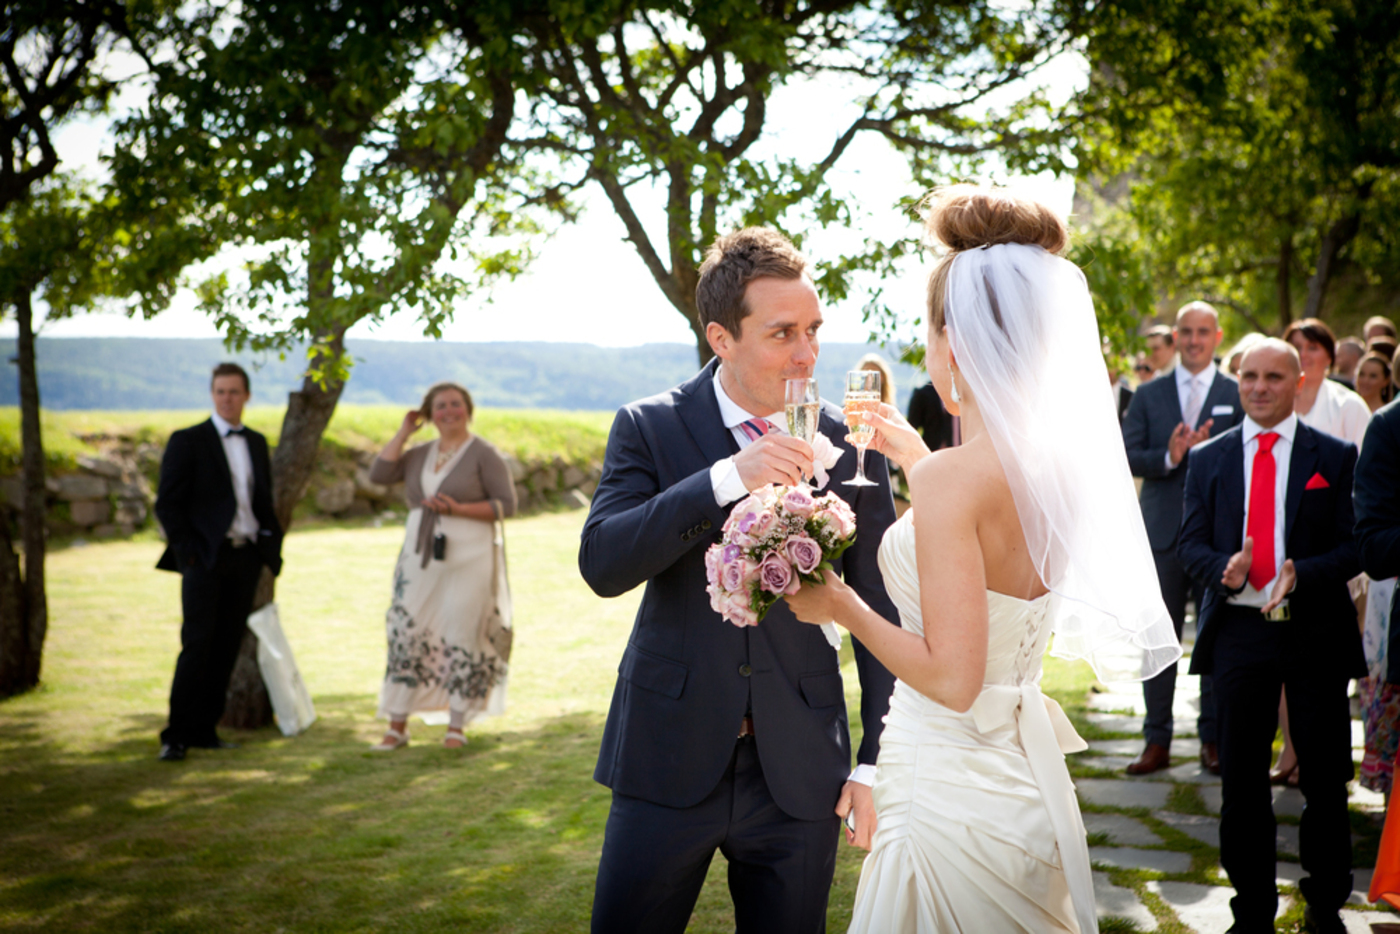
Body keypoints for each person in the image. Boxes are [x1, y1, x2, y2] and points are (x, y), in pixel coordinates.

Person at [786, 186, 1179, 933]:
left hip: (944, 790)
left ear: (956, 343)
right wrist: (916, 456)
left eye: (930, 334)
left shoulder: (951, 481)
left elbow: (953, 679)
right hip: (1022, 781)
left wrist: (841, 605)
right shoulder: (1059, 471)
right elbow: (990, 552)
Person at [580, 227, 900, 933]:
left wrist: (876, 761)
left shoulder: (850, 443)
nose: (808, 353)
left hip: (801, 765)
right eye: (783, 333)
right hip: (667, 753)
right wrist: (725, 479)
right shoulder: (649, 427)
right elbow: (602, 563)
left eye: (814, 330)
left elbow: (881, 604)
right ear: (721, 338)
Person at [1178, 338, 1362, 934]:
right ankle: (1251, 910)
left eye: (1274, 377)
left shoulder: (1333, 455)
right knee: (1241, 781)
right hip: (1239, 631)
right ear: (1237, 381)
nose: (1259, 387)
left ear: (1299, 381)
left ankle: (1325, 907)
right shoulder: (1208, 459)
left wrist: (1300, 573)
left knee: (1326, 780)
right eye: (1249, 376)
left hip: (1315, 632)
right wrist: (1223, 571)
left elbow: (1355, 546)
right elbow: (1189, 545)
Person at [1121, 301, 1241, 776]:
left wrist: (1210, 452)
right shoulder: (1149, 394)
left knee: (1214, 640)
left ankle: (1213, 740)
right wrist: (1169, 456)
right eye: (1186, 332)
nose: (1194, 340)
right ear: (1175, 338)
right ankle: (1157, 741)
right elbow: (1126, 454)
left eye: (1202, 332)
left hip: (1218, 537)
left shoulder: (1236, 391)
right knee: (1158, 640)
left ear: (1217, 337)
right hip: (1162, 535)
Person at [367, 382, 517, 751]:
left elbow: (506, 504)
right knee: (407, 628)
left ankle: (457, 724)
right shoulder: (419, 453)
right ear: (429, 414)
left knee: (463, 629)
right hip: (419, 557)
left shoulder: (484, 454)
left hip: (471, 557)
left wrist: (457, 509)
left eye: (455, 404)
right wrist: (404, 432)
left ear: (468, 409)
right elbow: (379, 475)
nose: (449, 411)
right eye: (440, 406)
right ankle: (397, 724)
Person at [154, 363, 283, 762]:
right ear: (212, 395)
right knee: (197, 644)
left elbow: (262, 500)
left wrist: (269, 546)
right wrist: (190, 553)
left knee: (227, 646)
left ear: (247, 396)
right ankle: (176, 736)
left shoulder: (257, 442)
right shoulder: (188, 440)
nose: (227, 398)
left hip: (246, 557)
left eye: (234, 391)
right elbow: (167, 504)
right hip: (205, 559)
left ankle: (205, 730)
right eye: (221, 391)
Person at [1285, 318, 1371, 449]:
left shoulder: (1349, 405)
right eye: (1296, 347)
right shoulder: (1269, 402)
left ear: (1329, 356)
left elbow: (1364, 456)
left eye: (1312, 348)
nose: (1303, 354)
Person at [906, 380, 954, 450]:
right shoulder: (922, 393)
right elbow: (911, 429)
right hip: (932, 451)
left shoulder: (965, 392)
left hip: (961, 451)